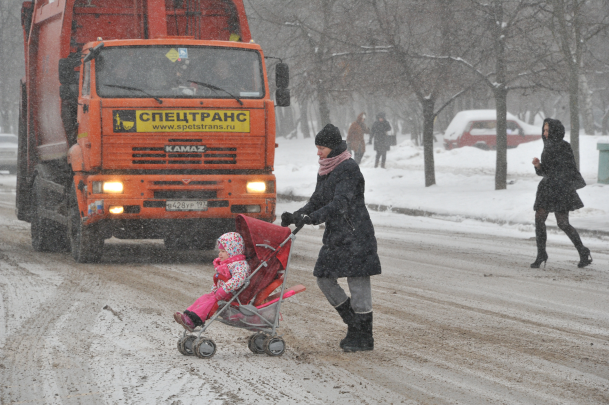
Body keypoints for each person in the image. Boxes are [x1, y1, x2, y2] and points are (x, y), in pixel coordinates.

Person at [281, 124, 382, 352]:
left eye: (322, 148)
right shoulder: (326, 168)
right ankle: (354, 325)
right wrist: (298, 215)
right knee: (324, 278)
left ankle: (364, 336)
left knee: (358, 285)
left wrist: (313, 218)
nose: (318, 152)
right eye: (317, 147)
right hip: (336, 235)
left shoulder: (348, 168)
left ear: (334, 147)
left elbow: (340, 203)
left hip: (356, 234)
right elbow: (317, 199)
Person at [531, 118, 592, 269]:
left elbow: (568, 168)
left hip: (560, 189)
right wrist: (539, 166)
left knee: (563, 223)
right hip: (548, 188)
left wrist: (558, 181)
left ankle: (583, 251)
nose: (544, 133)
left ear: (554, 131)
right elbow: (547, 171)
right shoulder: (547, 145)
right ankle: (541, 253)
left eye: (547, 130)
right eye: (544, 130)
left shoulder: (564, 146)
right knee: (539, 219)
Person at [174, 232, 250, 331]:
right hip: (220, 292)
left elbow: (238, 279)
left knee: (209, 303)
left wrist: (224, 289)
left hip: (230, 294)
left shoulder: (240, 265)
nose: (220, 254)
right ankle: (187, 315)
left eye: (223, 251)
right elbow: (221, 279)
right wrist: (216, 288)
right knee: (203, 298)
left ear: (232, 251)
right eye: (220, 251)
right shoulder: (228, 264)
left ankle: (192, 321)